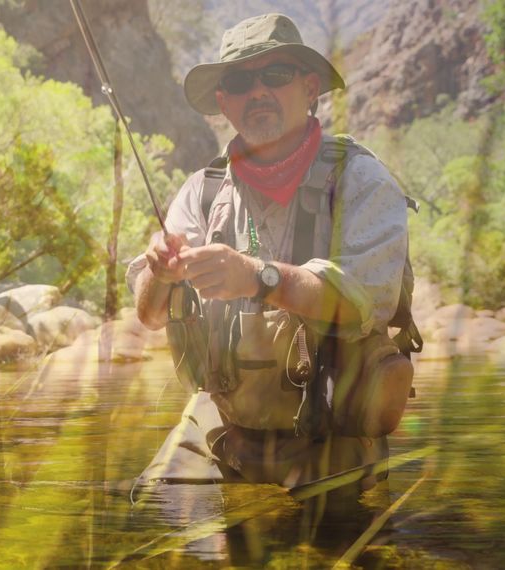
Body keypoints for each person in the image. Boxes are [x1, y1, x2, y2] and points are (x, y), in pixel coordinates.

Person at [127, 13, 412, 495]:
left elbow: (367, 302)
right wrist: (160, 272)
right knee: (154, 522)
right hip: (223, 423)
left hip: (333, 432)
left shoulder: (360, 181)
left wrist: (261, 278)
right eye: (239, 81)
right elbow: (149, 314)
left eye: (274, 76)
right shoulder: (200, 193)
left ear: (309, 88)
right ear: (224, 102)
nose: (256, 91)